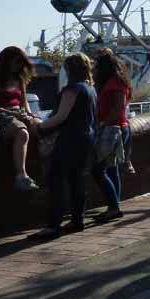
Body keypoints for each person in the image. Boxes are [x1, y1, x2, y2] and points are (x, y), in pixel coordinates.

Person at [35, 54, 97, 237]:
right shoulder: (90, 88)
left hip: (70, 140)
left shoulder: (73, 89)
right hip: (86, 138)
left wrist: (39, 126)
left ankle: (53, 225)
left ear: (69, 70)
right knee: (76, 180)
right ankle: (77, 220)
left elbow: (61, 116)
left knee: (56, 181)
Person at [0, 46, 40, 191]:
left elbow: (24, 101)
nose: (18, 66)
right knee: (22, 132)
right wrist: (14, 114)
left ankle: (45, 167)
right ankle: (21, 176)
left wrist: (29, 114)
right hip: (2, 115)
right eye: (16, 63)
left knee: (41, 127)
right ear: (6, 62)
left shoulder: (18, 78)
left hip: (18, 112)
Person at [92, 49, 132, 221]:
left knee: (97, 170)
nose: (94, 69)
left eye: (96, 66)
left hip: (113, 129)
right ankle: (114, 205)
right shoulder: (115, 81)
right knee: (112, 169)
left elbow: (118, 109)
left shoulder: (116, 84)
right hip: (117, 127)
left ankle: (114, 207)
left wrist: (101, 123)